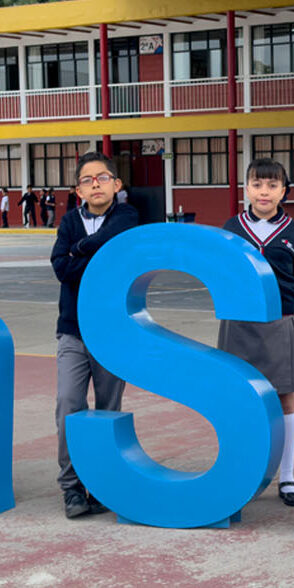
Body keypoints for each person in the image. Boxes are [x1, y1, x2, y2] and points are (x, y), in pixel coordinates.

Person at [217, 158, 294, 508]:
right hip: (239, 324)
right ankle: (243, 469)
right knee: (239, 398)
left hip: (279, 322)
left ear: (284, 191)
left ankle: (287, 476)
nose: (264, 191)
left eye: (273, 185)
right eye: (257, 184)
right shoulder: (232, 227)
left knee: (284, 397)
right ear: (247, 188)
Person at [50, 152, 139, 518]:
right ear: (77, 190)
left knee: (108, 410)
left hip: (111, 332)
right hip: (72, 332)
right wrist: (88, 251)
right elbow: (62, 269)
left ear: (117, 185)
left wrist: (83, 248)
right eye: (87, 180)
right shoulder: (69, 222)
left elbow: (112, 241)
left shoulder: (127, 216)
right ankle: (72, 487)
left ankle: (103, 483)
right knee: (69, 406)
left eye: (103, 177)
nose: (96, 184)